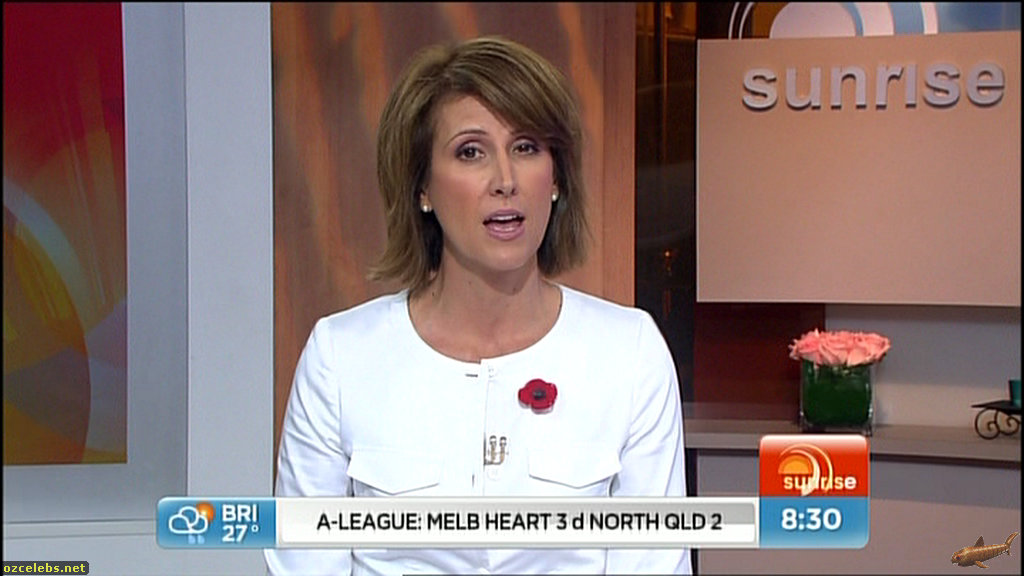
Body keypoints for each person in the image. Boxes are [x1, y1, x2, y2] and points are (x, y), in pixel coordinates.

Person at [265, 35, 691, 575]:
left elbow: (655, 562)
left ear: (556, 179)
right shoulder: (341, 357)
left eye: (526, 148)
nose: (505, 181)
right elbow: (304, 563)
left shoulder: (629, 353)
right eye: (471, 152)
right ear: (422, 187)